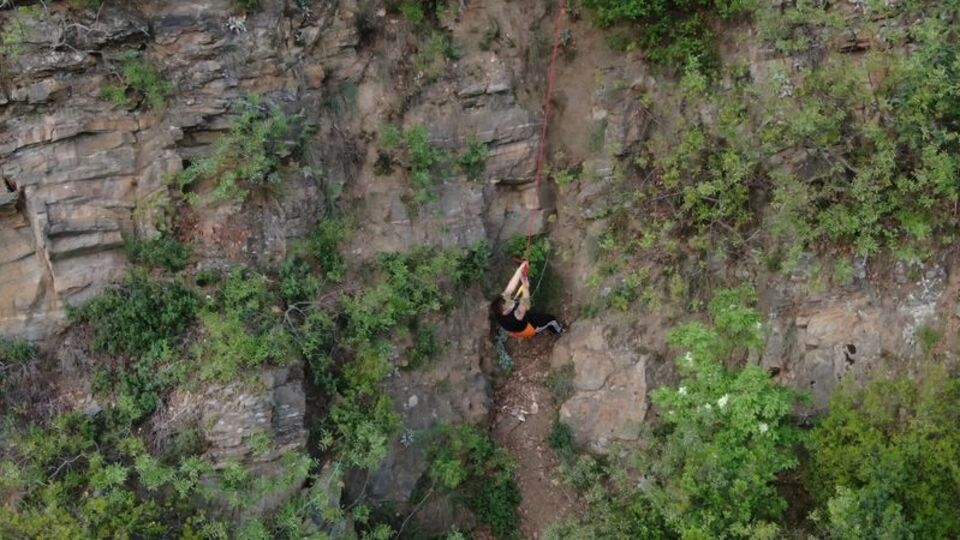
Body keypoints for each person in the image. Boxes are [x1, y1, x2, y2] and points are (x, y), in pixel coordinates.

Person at [490, 260, 563, 338]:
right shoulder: (516, 315)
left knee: (524, 310)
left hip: (515, 329)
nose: (509, 299)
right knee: (551, 319)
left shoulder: (499, 309)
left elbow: (510, 288)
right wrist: (525, 287)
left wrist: (520, 269)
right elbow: (526, 305)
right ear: (504, 311)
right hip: (528, 329)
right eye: (508, 302)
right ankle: (559, 331)